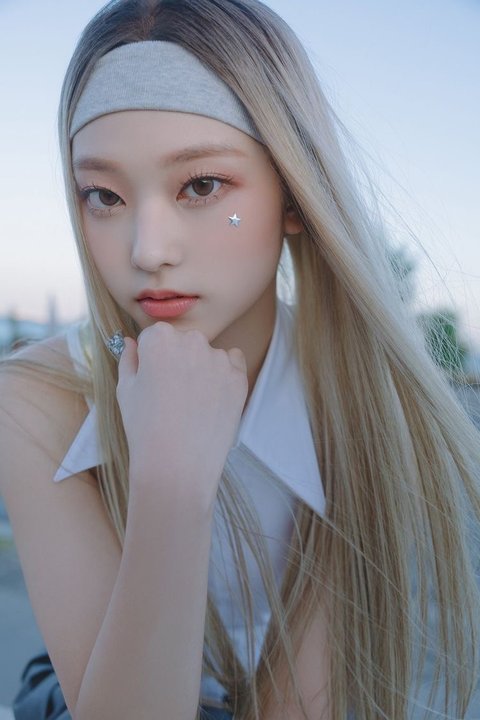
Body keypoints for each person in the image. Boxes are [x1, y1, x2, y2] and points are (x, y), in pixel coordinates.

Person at [1, 0, 479, 718]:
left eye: (201, 186)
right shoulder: (37, 398)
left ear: (294, 194)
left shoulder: (357, 395)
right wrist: (170, 483)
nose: (147, 250)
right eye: (103, 195)